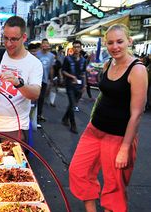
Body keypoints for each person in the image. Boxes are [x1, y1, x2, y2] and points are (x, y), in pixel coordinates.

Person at [69, 24, 148, 212]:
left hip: (119, 137)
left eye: (120, 41)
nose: (115, 46)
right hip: (94, 130)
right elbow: (105, 96)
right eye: (110, 42)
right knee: (79, 171)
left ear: (129, 41)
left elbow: (137, 113)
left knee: (114, 187)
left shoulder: (137, 70)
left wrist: (125, 148)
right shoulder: (108, 63)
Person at [61, 40, 87, 134]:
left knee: (73, 104)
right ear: (72, 48)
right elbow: (63, 71)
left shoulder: (83, 60)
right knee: (72, 104)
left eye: (78, 47)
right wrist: (72, 77)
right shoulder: (67, 59)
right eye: (75, 47)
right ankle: (73, 125)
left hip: (79, 86)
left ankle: (65, 118)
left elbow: (83, 73)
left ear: (81, 48)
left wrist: (84, 85)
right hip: (70, 85)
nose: (76, 49)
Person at [36, 38, 55, 123]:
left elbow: (51, 68)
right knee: (34, 97)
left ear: (49, 45)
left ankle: (39, 114)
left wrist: (51, 80)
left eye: (47, 44)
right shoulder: (37, 54)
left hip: (44, 80)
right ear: (41, 45)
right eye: (43, 44)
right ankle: (32, 114)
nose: (45, 45)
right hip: (36, 79)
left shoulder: (51, 56)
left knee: (42, 98)